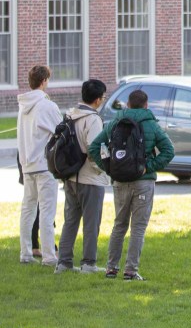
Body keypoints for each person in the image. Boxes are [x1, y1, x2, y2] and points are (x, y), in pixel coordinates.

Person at [89, 89, 175, 281]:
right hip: (143, 182)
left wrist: (109, 167)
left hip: (119, 181)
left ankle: (111, 268)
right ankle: (130, 270)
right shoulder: (151, 124)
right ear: (146, 105)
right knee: (138, 227)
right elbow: (169, 151)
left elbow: (94, 147)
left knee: (119, 225)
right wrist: (149, 167)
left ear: (128, 104)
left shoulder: (114, 123)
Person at [55, 79, 110, 274]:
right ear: (97, 99)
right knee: (91, 223)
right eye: (103, 97)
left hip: (70, 176)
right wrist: (104, 169)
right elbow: (94, 150)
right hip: (90, 178)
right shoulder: (93, 119)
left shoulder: (70, 114)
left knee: (70, 220)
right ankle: (88, 263)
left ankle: (63, 262)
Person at [18, 65, 62, 266]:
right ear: (44, 81)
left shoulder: (23, 105)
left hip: (27, 164)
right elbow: (61, 130)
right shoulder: (47, 105)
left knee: (28, 209)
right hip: (44, 166)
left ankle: (25, 253)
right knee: (46, 211)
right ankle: (49, 256)